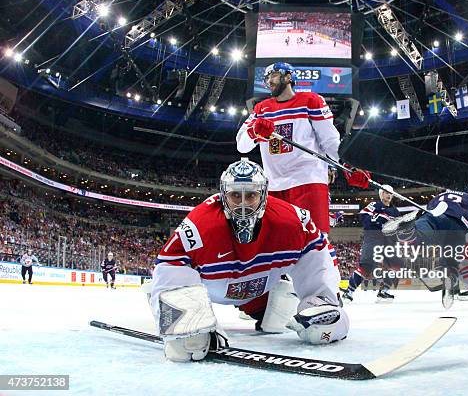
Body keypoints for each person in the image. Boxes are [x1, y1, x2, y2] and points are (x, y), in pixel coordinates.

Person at [148, 158, 349, 362]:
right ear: (223, 195)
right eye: (235, 195)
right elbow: (169, 263)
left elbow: (317, 250)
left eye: (251, 194)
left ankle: (274, 300)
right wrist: (182, 313)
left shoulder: (292, 221)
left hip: (257, 292)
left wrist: (323, 299)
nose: (243, 203)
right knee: (188, 341)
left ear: (263, 195)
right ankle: (170, 303)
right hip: (208, 290)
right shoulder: (200, 226)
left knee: (290, 324)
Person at [236, 62, 369, 234]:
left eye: (273, 76)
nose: (269, 81)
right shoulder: (261, 109)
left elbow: (329, 141)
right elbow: (242, 146)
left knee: (314, 245)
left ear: (289, 77)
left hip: (308, 181)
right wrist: (254, 132)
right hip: (274, 186)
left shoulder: (311, 101)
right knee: (280, 248)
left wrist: (349, 166)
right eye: (267, 78)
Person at [382, 191, 468, 305]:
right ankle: (455, 285)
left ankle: (409, 233)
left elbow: (431, 212)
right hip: (458, 225)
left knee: (424, 233)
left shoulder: (437, 197)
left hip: (433, 217)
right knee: (452, 260)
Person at [341, 185, 401, 303]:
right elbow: (364, 217)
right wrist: (377, 220)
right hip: (373, 237)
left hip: (388, 240)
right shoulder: (375, 205)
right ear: (381, 194)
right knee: (366, 266)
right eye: (386, 192)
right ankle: (349, 291)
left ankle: (384, 291)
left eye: (390, 193)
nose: (389, 195)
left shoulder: (395, 211)